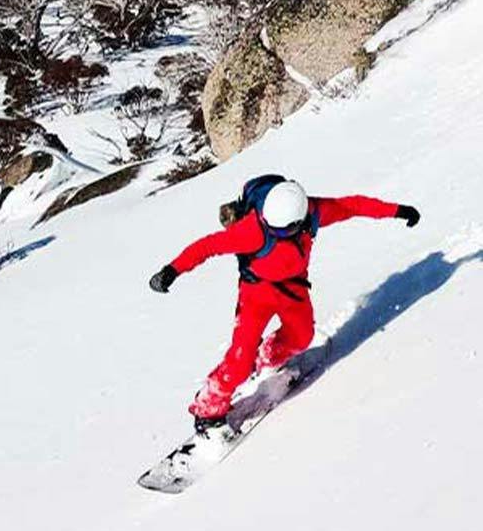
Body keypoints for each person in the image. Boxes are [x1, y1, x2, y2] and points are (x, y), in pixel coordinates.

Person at [149, 174, 420, 433]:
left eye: (281, 230)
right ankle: (207, 408)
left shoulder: (312, 212)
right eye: (271, 226)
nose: (272, 230)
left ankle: (266, 358)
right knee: (239, 360)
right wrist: (171, 271)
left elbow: (351, 206)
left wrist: (397, 211)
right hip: (256, 294)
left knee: (302, 337)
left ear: (298, 224)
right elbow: (206, 247)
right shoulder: (253, 230)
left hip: (293, 289)